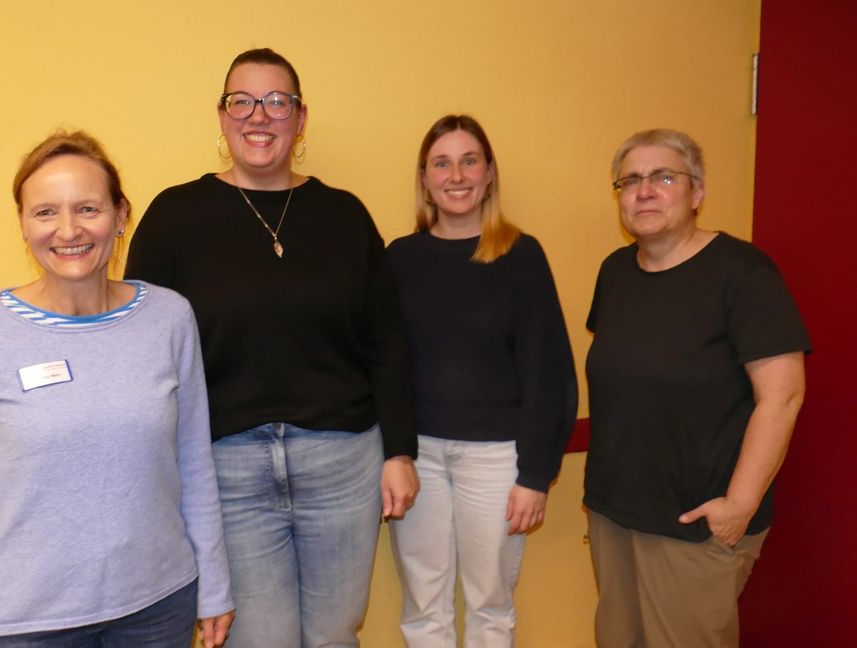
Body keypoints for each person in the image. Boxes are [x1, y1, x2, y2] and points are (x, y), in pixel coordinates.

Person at [124, 48, 418, 648]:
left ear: (300, 118)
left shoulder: (345, 215)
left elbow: (386, 340)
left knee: (334, 636)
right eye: (243, 101)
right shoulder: (175, 216)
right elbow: (142, 354)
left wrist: (400, 452)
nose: (259, 115)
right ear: (222, 115)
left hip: (342, 462)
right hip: (227, 469)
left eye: (277, 102)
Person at [0, 131, 234, 648]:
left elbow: (194, 464)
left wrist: (215, 586)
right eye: (45, 212)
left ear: (120, 215)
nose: (68, 230)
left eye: (88, 208)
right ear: (23, 224)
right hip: (29, 625)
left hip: (158, 608)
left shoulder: (169, 318)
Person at [585, 128, 810, 647]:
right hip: (616, 512)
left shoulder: (743, 273)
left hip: (696, 521)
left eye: (664, 177)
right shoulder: (615, 272)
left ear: (698, 192)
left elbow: (783, 397)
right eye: (630, 180)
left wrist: (740, 505)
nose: (644, 191)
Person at [386, 114, 578, 647]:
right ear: (424, 179)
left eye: (469, 161)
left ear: (489, 173)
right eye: (441, 164)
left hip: (496, 460)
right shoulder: (400, 259)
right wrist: (390, 453)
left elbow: (548, 372)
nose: (456, 176)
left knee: (490, 605)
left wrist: (535, 475)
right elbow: (383, 362)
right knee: (423, 607)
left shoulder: (521, 255)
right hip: (417, 455)